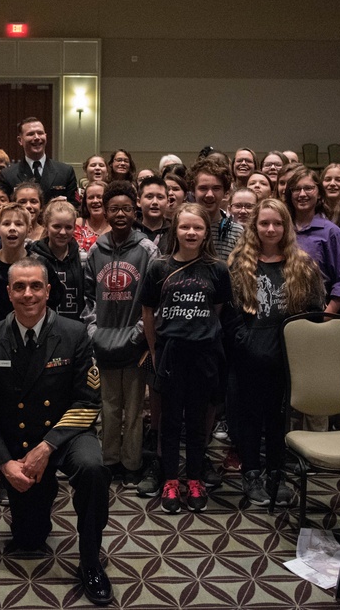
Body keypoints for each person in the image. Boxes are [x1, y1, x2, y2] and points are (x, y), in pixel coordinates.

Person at [0, 257, 112, 606]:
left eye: (36, 286)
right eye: (19, 286)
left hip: (65, 435)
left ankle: (91, 559)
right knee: (29, 539)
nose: (28, 293)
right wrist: (5, 464)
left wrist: (47, 447)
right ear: (8, 292)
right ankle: (36, 506)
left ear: (48, 291)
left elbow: (88, 401)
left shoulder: (73, 333)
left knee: (93, 469)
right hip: (18, 442)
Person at [228, 198, 324, 507]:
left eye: (277, 223)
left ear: (287, 227)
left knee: (278, 418)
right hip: (249, 355)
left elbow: (313, 311)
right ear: (254, 227)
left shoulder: (303, 263)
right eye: (264, 223)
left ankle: (276, 473)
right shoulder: (238, 262)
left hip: (286, 354)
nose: (271, 229)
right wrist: (246, 344)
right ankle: (252, 472)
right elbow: (229, 314)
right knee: (250, 416)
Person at [140, 203, 231, 514]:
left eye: (198, 228)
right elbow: (148, 311)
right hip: (170, 353)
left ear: (206, 233)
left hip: (204, 354)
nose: (191, 232)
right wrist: (154, 349)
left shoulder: (217, 269)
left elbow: (217, 310)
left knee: (196, 421)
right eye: (185, 227)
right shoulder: (158, 267)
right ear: (174, 230)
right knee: (168, 421)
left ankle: (194, 478)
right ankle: (169, 479)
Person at [82, 181, 160, 487]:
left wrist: (139, 333)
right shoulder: (95, 249)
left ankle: (132, 463)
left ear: (135, 209)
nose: (120, 214)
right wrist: (93, 330)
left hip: (135, 344)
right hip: (103, 344)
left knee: (134, 409)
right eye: (113, 208)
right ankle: (110, 460)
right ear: (104, 209)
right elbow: (88, 297)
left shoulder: (148, 249)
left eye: (126, 208)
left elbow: (154, 299)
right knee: (109, 407)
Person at [284, 167, 340, 314]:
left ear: (320, 193)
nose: (302, 194)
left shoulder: (332, 232)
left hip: (319, 314)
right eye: (296, 189)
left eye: (309, 188)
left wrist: (325, 317)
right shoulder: (282, 229)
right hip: (282, 313)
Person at [0, 118, 79, 206]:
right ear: (20, 140)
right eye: (30, 134)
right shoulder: (8, 175)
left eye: (40, 133)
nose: (37, 137)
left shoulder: (65, 171)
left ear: (46, 136)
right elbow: (5, 209)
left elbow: (74, 206)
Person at [30, 200, 86, 321]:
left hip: (74, 327)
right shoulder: (33, 258)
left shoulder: (82, 259)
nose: (62, 232)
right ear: (46, 225)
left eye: (68, 227)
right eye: (56, 226)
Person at [135, 175, 171, 251]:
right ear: (138, 202)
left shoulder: (174, 232)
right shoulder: (130, 230)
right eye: (149, 196)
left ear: (168, 202)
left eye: (160, 197)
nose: (155, 202)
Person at [75, 181, 108, 251]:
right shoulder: (76, 224)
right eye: (91, 197)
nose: (95, 201)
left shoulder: (116, 227)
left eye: (99, 197)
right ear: (85, 201)